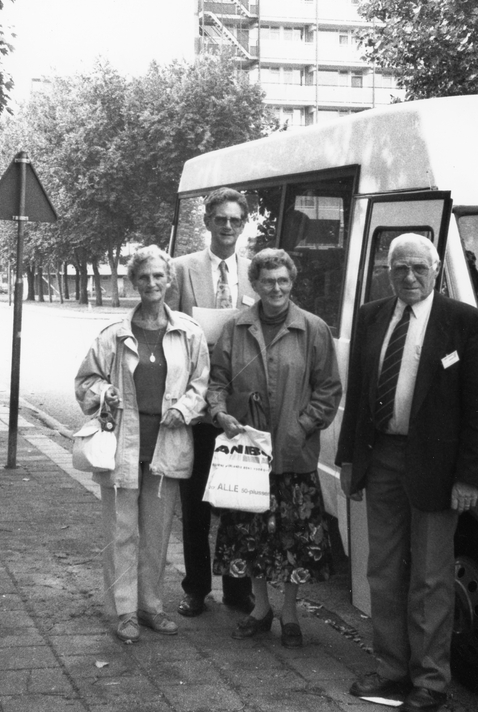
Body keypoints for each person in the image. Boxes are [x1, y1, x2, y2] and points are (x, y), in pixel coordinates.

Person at [336, 234, 478, 712]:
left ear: (435, 271)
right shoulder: (371, 316)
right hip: (381, 457)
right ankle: (391, 671)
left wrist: (468, 477)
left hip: (438, 469)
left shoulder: (465, 323)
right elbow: (358, 395)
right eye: (399, 268)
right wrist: (349, 460)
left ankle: (430, 682)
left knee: (430, 576)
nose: (408, 277)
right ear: (387, 272)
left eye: (418, 269)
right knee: (382, 571)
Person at [74, 245, 209, 644]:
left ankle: (151, 606)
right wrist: (105, 393)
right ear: (133, 281)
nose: (152, 283)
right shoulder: (113, 334)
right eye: (144, 277)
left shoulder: (189, 332)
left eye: (158, 276)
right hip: (123, 445)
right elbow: (86, 381)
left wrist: (184, 409)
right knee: (121, 531)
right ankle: (124, 611)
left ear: (169, 280)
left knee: (157, 533)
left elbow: (202, 383)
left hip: (167, 444)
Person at [208, 248, 341, 648]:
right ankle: (261, 608)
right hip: (248, 455)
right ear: (255, 284)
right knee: (251, 535)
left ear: (292, 282)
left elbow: (328, 389)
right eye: (268, 281)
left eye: (283, 280)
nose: (276, 288)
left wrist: (302, 426)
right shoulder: (235, 328)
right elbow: (217, 381)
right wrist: (220, 413)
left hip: (293, 453)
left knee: (293, 539)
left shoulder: (313, 329)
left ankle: (290, 612)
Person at [165, 187, 257, 618]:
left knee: (239, 500)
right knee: (196, 503)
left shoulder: (255, 271)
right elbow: (166, 330)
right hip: (198, 404)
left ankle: (238, 590)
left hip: (239, 407)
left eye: (235, 220)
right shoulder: (181, 270)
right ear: (207, 222)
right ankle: (196, 588)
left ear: (243, 224)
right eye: (220, 219)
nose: (227, 227)